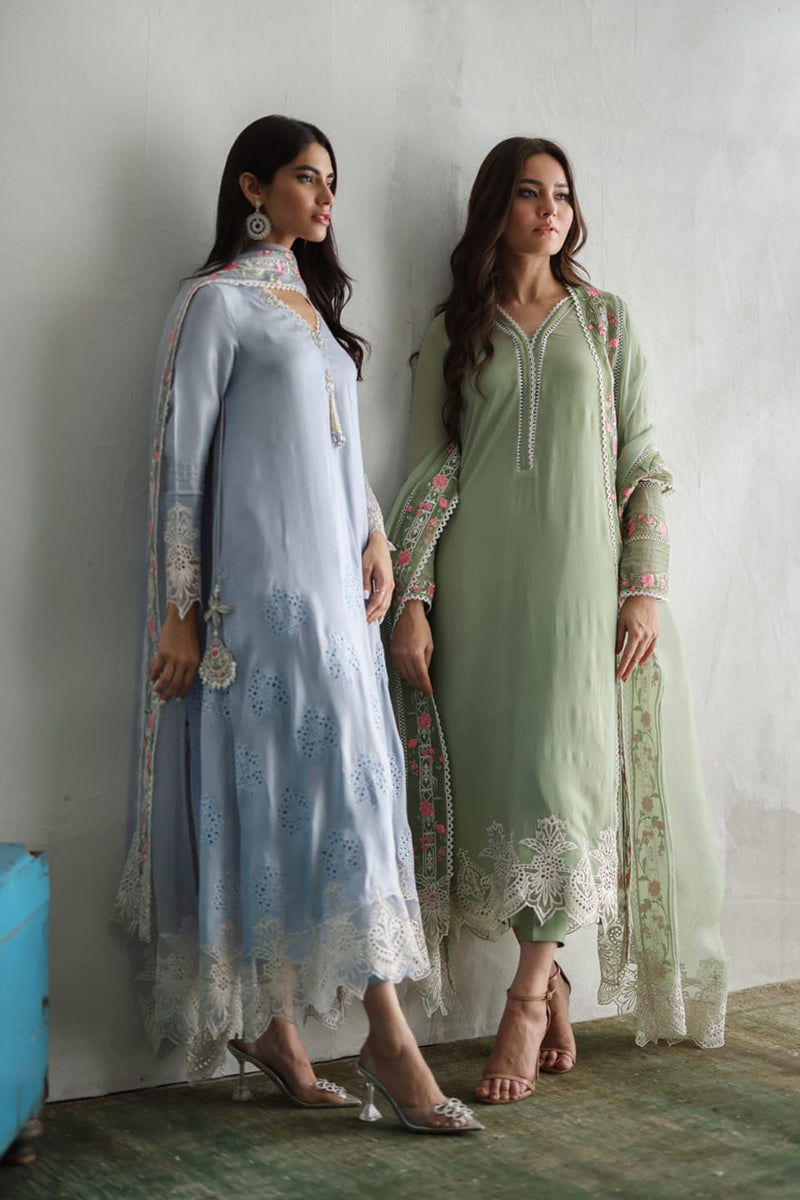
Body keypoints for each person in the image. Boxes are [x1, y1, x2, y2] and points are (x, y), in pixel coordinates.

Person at [114, 114, 481, 1134]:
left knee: (343, 799)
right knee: (289, 803)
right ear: (252, 187)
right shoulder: (215, 303)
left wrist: (376, 535)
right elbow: (182, 463)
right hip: (257, 609)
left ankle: (279, 1030)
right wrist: (181, 614)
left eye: (331, 182)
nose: (325, 198)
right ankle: (385, 1038)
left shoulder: (313, 315)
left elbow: (341, 454)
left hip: (338, 604)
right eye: (307, 178)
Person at [387, 137, 727, 1105]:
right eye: (531, 194)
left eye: (563, 195)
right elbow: (427, 472)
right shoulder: (454, 330)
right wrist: (412, 604)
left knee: (565, 777)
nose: (551, 210)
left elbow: (642, 462)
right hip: (479, 588)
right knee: (502, 781)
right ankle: (554, 981)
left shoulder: (605, 322)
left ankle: (526, 1001)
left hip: (580, 589)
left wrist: (641, 587)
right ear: (496, 210)